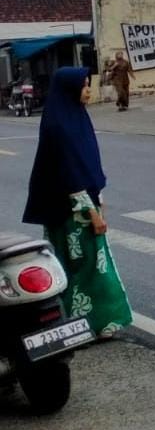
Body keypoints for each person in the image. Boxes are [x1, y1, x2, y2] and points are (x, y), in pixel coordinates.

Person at [22, 67, 132, 337]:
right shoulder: (59, 125)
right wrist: (93, 214)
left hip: (81, 208)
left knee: (89, 268)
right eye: (83, 86)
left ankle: (89, 325)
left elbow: (87, 165)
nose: (88, 90)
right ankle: (91, 325)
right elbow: (70, 175)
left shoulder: (74, 117)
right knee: (86, 270)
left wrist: (99, 201)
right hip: (70, 215)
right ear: (70, 89)